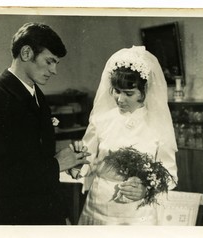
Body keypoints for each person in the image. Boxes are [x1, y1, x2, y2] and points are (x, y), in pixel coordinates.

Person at [0, 22, 89, 225]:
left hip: (46, 213)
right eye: (49, 62)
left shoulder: (38, 97)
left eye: (56, 63)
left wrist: (67, 163)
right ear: (26, 53)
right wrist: (56, 165)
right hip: (13, 220)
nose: (54, 71)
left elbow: (32, 157)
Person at [67, 46, 178, 225]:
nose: (120, 99)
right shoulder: (101, 120)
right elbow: (85, 162)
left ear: (145, 91)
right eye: (117, 91)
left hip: (139, 213)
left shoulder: (158, 126)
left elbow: (169, 176)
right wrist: (76, 167)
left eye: (129, 93)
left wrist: (145, 189)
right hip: (99, 207)